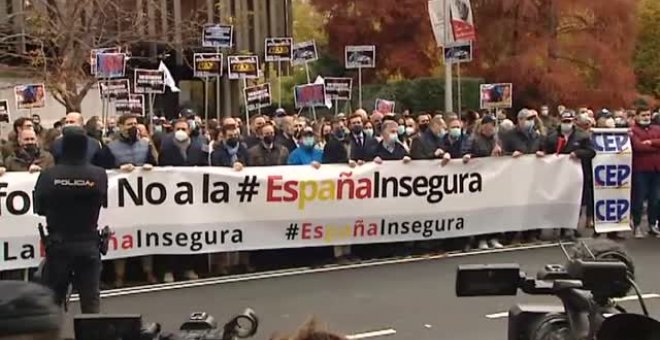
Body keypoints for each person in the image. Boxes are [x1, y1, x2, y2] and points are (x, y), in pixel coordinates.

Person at [34, 126, 108, 313]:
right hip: (88, 242)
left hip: (59, 243)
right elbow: (102, 201)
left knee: (52, 301)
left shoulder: (48, 175)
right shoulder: (99, 175)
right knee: (90, 300)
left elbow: (40, 209)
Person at [98, 114, 157, 287]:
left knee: (144, 234)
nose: (133, 127)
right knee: (122, 236)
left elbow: (155, 163)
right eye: (129, 124)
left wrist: (151, 167)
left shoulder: (146, 145)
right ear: (120, 127)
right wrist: (118, 170)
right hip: (120, 202)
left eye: (135, 124)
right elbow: (103, 170)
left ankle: (149, 271)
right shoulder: (110, 147)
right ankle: (119, 275)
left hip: (142, 199)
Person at [543, 110, 596, 240]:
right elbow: (546, 151)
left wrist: (578, 153)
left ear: (574, 122)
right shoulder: (552, 137)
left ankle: (571, 228)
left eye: (569, 121)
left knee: (575, 201)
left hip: (576, 174)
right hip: (558, 174)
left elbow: (591, 152)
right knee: (559, 199)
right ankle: (559, 226)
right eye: (564, 121)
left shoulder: (582, 136)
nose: (567, 124)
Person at [502, 109, 545, 243]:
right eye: (527, 119)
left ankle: (531, 233)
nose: (530, 122)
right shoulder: (510, 135)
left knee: (532, 204)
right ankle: (511, 234)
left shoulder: (537, 135)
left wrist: (542, 153)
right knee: (515, 205)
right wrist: (510, 155)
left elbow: (544, 148)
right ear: (519, 120)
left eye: (531, 119)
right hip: (515, 176)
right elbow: (502, 154)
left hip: (533, 175)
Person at [463, 116, 504, 250]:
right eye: (489, 125)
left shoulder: (497, 140)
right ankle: (481, 238)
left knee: (494, 209)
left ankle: (494, 236)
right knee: (482, 211)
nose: (491, 128)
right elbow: (467, 154)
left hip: (495, 179)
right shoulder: (474, 139)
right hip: (479, 180)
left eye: (493, 125)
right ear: (483, 126)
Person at [630, 107, 660, 238]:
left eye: (648, 115)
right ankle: (636, 225)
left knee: (656, 199)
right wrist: (655, 147)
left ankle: (652, 225)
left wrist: (651, 142)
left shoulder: (657, 129)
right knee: (639, 199)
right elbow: (638, 147)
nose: (646, 117)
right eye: (643, 115)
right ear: (636, 116)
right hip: (640, 170)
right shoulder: (632, 131)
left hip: (656, 169)